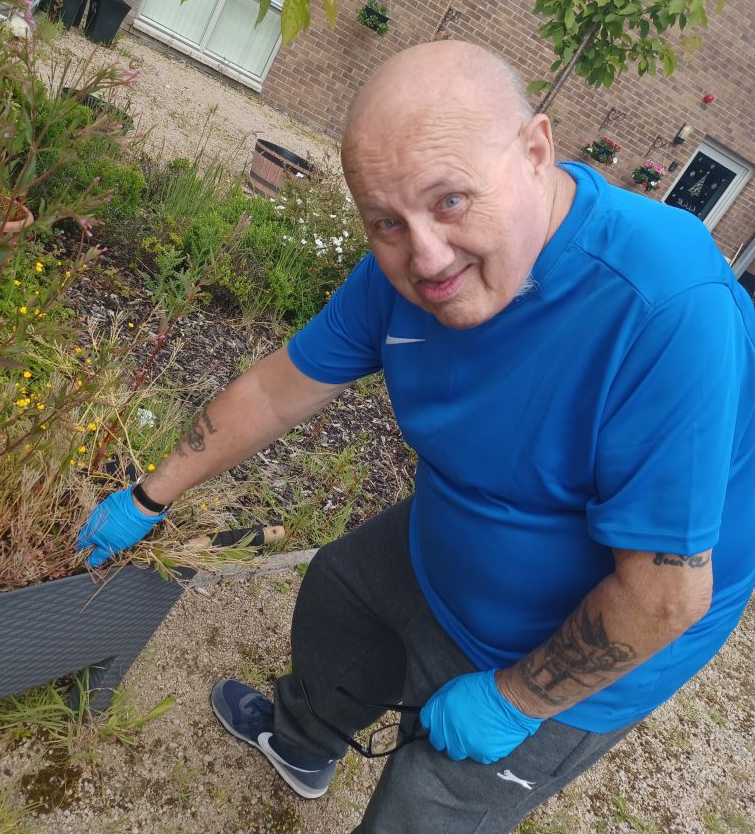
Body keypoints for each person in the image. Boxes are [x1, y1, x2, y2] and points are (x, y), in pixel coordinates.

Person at [78, 41, 755, 833]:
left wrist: (518, 698)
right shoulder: (401, 270)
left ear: (536, 151)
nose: (425, 257)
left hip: (603, 623)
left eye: (452, 202)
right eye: (386, 222)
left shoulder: (663, 305)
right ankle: (304, 740)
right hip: (464, 524)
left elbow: (665, 593)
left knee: (426, 805)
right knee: (340, 590)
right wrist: (148, 494)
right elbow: (273, 390)